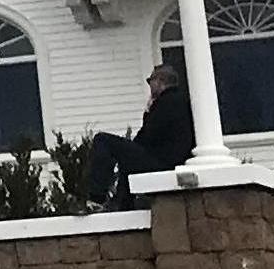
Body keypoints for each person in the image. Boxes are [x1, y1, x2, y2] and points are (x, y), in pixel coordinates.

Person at [82, 60, 195, 205]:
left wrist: (148, 112)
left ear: (160, 81)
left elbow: (147, 136)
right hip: (175, 161)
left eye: (150, 81)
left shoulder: (164, 103)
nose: (150, 86)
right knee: (128, 158)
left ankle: (97, 197)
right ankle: (123, 204)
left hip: (161, 163)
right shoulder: (183, 101)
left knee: (102, 140)